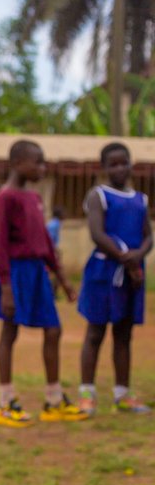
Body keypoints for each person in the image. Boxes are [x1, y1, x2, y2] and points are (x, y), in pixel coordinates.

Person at [0, 140, 88, 427]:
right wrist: (6, 286)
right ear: (18, 163)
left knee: (53, 330)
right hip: (15, 273)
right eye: (38, 162)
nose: (42, 168)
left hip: (37, 274)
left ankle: (53, 399)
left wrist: (64, 280)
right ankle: (6, 403)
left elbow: (44, 243)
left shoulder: (33, 197)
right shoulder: (5, 197)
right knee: (9, 332)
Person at [77, 142, 152, 415]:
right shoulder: (99, 195)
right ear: (104, 168)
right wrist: (126, 257)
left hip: (133, 275)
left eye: (124, 163)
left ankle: (122, 394)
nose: (120, 168)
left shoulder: (140, 199)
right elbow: (97, 234)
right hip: (104, 272)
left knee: (124, 334)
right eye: (113, 164)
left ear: (131, 164)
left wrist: (138, 256)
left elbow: (148, 237)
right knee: (95, 332)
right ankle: (87, 393)